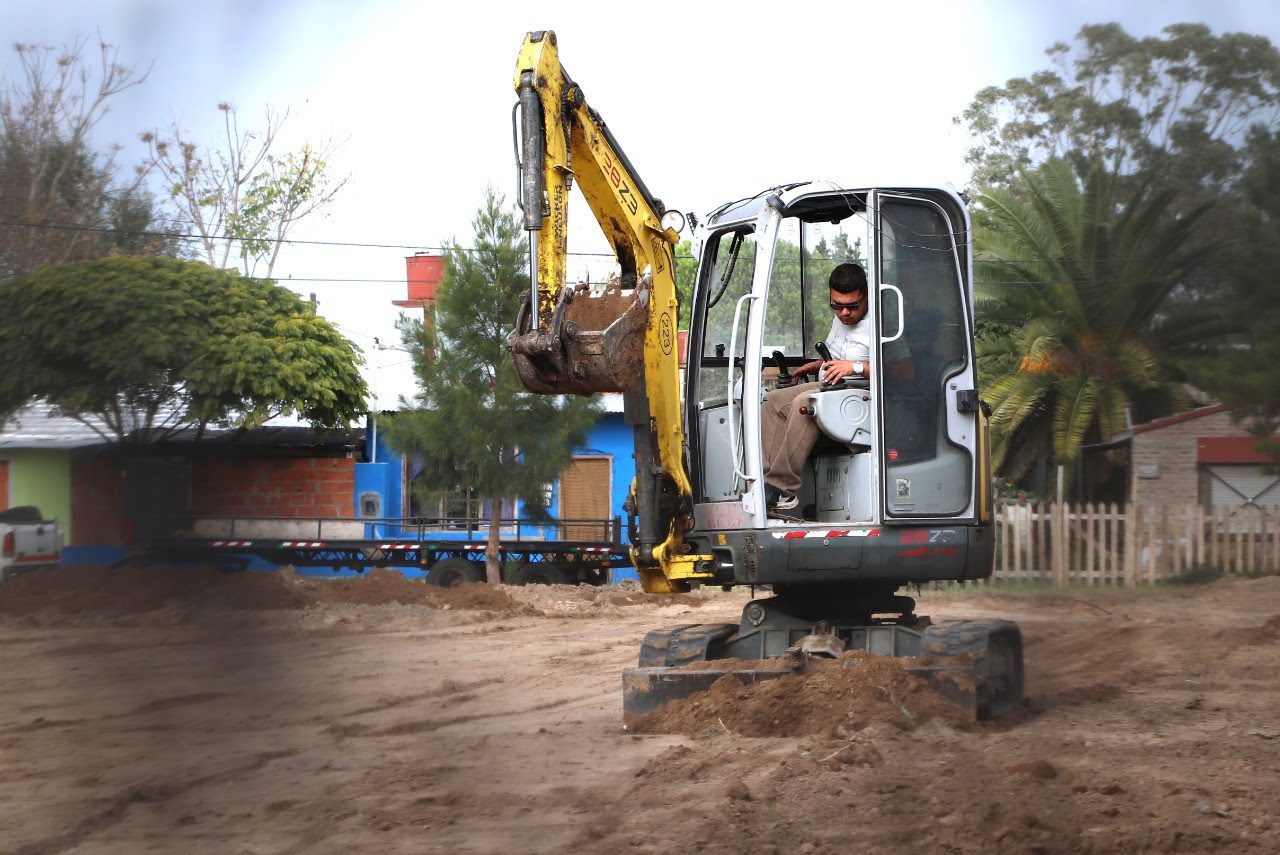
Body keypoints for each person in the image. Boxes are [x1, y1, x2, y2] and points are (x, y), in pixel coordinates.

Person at [760, 262, 912, 515]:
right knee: (773, 401)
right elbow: (841, 355)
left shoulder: (883, 323)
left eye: (852, 306)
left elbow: (906, 373)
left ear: (866, 296)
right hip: (833, 388)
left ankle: (782, 488)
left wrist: (854, 368)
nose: (844, 313)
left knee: (806, 404)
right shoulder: (841, 317)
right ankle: (766, 484)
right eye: (836, 305)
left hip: (866, 398)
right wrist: (817, 365)